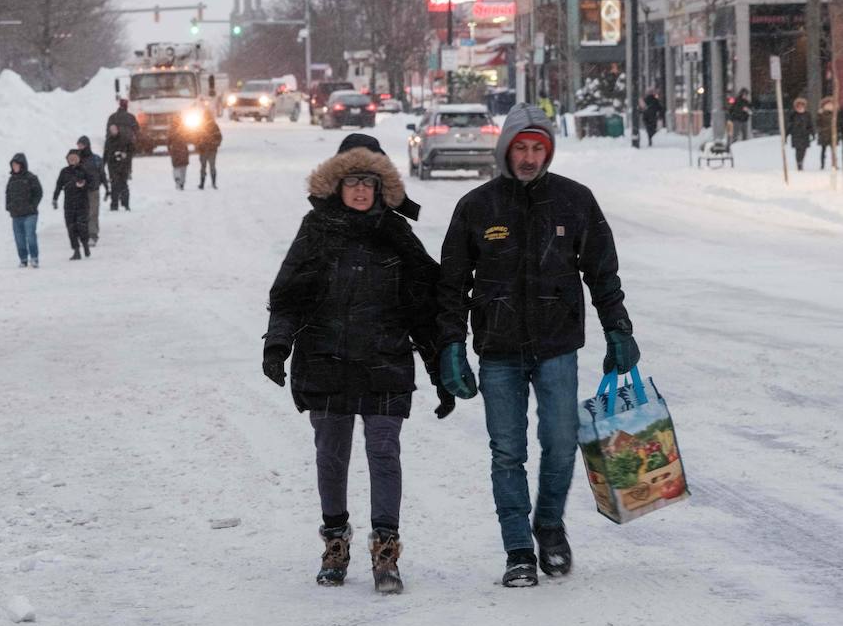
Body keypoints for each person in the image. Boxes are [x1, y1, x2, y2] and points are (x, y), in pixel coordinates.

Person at [436, 104, 637, 589]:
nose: (528, 158)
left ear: (548, 152)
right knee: (507, 451)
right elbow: (451, 284)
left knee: (562, 443)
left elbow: (602, 272)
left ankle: (548, 525)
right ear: (506, 149)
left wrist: (618, 329)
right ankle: (518, 551)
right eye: (520, 148)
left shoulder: (574, 200)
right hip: (498, 348)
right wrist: (450, 345)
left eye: (537, 149)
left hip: (556, 344)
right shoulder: (477, 206)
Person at [263, 133, 451, 594]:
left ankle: (386, 550)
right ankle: (335, 542)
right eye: (352, 181)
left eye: (369, 181)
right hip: (325, 360)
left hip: (385, 362)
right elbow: (289, 295)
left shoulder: (397, 235)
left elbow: (423, 310)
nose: (361, 190)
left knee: (384, 452)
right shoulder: (316, 230)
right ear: (337, 185)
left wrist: (440, 371)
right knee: (331, 455)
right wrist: (277, 345)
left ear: (381, 186)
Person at [52, 149, 93, 260]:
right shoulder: (64, 171)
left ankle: (85, 244)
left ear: (79, 159)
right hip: (69, 204)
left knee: (82, 226)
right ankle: (76, 251)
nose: (72, 160)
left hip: (82, 203)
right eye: (70, 158)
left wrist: (84, 185)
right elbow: (58, 185)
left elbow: (92, 183)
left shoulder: (84, 170)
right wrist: (55, 198)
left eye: (74, 158)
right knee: (71, 228)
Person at [5, 153, 43, 268]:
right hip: (16, 215)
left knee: (30, 236)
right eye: (13, 165)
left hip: (30, 214)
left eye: (16, 164)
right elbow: (8, 194)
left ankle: (34, 258)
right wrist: (9, 206)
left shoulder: (31, 178)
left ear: (22, 165)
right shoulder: (11, 180)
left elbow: (38, 193)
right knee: (19, 238)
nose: (14, 167)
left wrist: (33, 206)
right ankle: (23, 259)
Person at [76, 135, 107, 246]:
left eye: (81, 145)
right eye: (78, 145)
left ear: (87, 145)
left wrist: (107, 188)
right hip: (80, 191)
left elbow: (102, 174)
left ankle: (92, 235)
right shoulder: (75, 159)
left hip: (93, 190)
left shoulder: (96, 159)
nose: (80, 147)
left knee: (93, 213)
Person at [103, 118, 135, 212]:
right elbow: (106, 153)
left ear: (117, 129)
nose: (113, 131)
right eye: (111, 130)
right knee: (114, 185)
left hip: (123, 165)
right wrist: (102, 164)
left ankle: (125, 204)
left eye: (114, 129)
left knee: (123, 184)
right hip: (112, 166)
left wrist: (125, 155)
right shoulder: (108, 141)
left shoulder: (125, 139)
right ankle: (114, 205)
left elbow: (132, 150)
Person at [786, 97, 815, 172]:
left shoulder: (807, 114)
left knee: (804, 150)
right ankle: (799, 163)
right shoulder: (793, 114)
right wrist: (786, 135)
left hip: (805, 135)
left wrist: (812, 133)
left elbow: (810, 124)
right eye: (798, 106)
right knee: (798, 149)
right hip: (796, 134)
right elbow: (789, 125)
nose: (800, 107)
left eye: (802, 105)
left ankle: (801, 160)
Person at [198, 114, 223, 190]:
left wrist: (199, 145)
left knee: (204, 167)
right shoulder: (214, 126)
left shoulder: (201, 126)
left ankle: (202, 183)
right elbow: (219, 137)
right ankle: (213, 183)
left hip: (205, 149)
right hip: (211, 149)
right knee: (211, 166)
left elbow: (196, 137)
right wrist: (216, 144)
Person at [816, 97, 837, 170]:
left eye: (831, 104)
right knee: (823, 150)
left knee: (833, 151)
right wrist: (822, 130)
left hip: (832, 134)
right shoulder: (821, 114)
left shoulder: (835, 114)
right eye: (828, 104)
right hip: (824, 134)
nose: (829, 106)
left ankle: (834, 164)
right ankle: (822, 165)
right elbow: (818, 123)